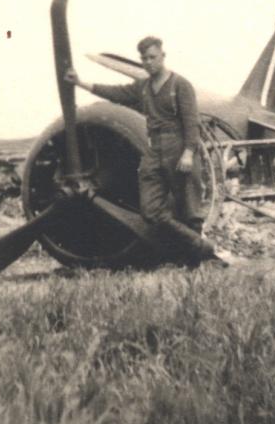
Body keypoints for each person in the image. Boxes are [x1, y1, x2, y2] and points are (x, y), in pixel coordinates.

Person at [65, 36, 223, 266]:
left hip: (179, 146)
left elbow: (191, 123)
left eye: (153, 57)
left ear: (162, 57)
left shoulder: (180, 85)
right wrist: (80, 83)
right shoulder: (143, 87)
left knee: (189, 207)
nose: (149, 62)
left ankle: (195, 263)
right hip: (154, 148)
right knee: (149, 210)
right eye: (144, 59)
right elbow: (115, 93)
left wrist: (189, 152)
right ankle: (200, 246)